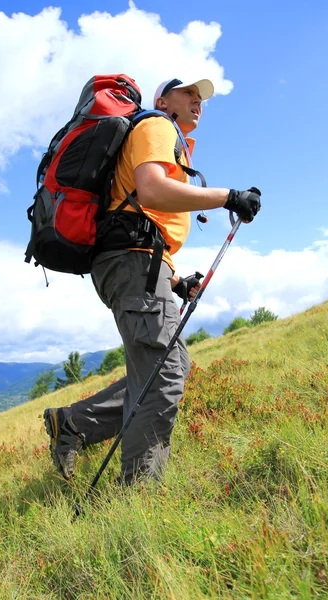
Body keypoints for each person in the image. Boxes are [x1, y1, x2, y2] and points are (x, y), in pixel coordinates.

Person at [44, 77, 261, 485]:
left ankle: (73, 423)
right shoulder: (159, 126)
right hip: (132, 264)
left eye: (202, 98)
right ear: (164, 99)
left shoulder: (163, 135)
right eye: (189, 94)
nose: (198, 102)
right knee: (164, 376)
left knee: (171, 364)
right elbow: (151, 192)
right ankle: (136, 501)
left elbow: (139, 220)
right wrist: (229, 197)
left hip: (138, 263)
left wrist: (175, 281)